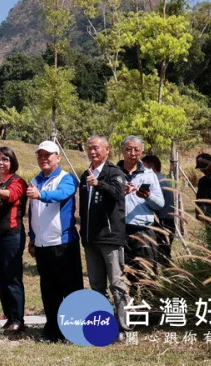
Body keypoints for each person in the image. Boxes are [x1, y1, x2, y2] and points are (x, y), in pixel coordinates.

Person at [27, 140, 82, 343]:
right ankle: (53, 330)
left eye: (47, 155)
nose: (43, 159)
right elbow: (32, 211)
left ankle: (75, 330)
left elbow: (62, 194)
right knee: (49, 290)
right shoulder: (35, 180)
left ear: (57, 157)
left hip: (63, 243)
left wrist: (40, 194)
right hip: (42, 245)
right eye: (40, 155)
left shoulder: (66, 178)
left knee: (70, 288)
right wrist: (32, 238)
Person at [79, 135, 128, 336]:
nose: (92, 152)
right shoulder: (84, 175)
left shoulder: (114, 172)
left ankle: (124, 327)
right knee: (96, 284)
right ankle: (103, 325)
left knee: (117, 283)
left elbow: (118, 193)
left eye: (96, 148)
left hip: (109, 237)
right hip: (91, 239)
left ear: (107, 150)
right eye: (89, 148)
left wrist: (99, 183)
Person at [0, 146, 28, 332]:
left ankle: (18, 319)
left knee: (12, 278)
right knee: (0, 280)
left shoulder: (18, 181)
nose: (1, 162)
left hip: (12, 235)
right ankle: (9, 317)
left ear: (12, 161)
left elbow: (13, 194)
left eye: (5, 159)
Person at [117, 136, 164, 289]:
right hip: (120, 231)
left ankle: (149, 310)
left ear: (142, 152)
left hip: (143, 232)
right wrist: (120, 193)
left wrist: (148, 196)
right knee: (123, 277)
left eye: (136, 150)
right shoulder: (113, 173)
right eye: (128, 149)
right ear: (122, 151)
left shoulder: (149, 175)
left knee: (147, 276)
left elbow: (160, 204)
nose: (132, 153)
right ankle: (129, 310)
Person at [142, 154, 175, 266]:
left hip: (161, 222)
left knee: (158, 256)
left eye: (143, 167)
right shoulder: (163, 178)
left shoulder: (156, 182)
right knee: (163, 255)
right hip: (168, 221)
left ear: (151, 166)